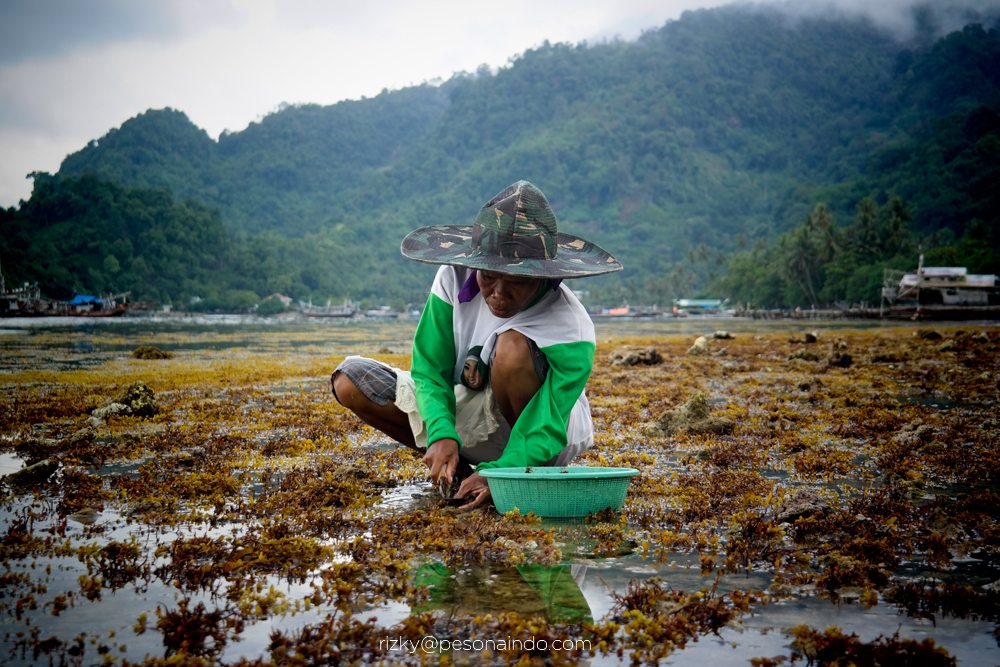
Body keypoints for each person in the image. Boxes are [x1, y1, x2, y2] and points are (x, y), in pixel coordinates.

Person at [331, 180, 622, 510]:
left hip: (537, 436)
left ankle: (514, 476)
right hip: (468, 414)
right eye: (488, 277)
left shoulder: (571, 327)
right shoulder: (452, 277)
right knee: (351, 380)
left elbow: (548, 422)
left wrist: (501, 474)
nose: (498, 293)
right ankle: (459, 471)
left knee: (512, 349)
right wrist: (441, 432)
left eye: (516, 282)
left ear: (544, 276)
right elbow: (429, 370)